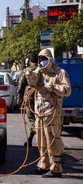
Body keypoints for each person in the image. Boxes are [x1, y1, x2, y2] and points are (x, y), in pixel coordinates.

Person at [26, 49, 71, 178]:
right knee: (41, 141)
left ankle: (56, 168)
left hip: (52, 113)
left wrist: (52, 87)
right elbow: (32, 83)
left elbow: (67, 91)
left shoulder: (60, 73)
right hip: (40, 112)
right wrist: (33, 73)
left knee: (53, 140)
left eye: (43, 59)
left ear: (50, 59)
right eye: (40, 60)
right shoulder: (40, 73)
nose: (41, 62)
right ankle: (43, 165)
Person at [17, 53, 38, 147]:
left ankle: (40, 133)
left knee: (31, 118)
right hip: (41, 96)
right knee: (39, 117)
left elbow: (21, 85)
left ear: (30, 60)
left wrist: (19, 97)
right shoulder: (41, 70)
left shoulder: (27, 70)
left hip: (29, 96)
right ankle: (30, 139)